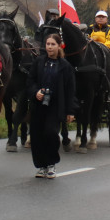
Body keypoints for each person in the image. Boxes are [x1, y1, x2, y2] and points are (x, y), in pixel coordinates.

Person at [26, 33, 77, 178]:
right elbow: (30, 81)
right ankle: (41, 165)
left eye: (52, 44)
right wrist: (36, 92)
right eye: (47, 44)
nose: (49, 47)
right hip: (38, 105)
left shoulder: (65, 66)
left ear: (59, 46)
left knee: (50, 133)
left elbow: (70, 90)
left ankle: (51, 164)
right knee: (36, 136)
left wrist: (70, 111)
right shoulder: (39, 62)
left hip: (55, 106)